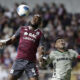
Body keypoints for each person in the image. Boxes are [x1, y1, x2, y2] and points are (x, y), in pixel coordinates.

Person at [0, 14, 46, 80]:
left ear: (40, 23)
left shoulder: (40, 34)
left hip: (31, 62)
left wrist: (41, 56)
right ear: (31, 20)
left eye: (37, 19)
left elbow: (41, 47)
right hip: (19, 60)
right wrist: (4, 43)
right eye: (34, 18)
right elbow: (12, 40)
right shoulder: (22, 28)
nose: (35, 19)